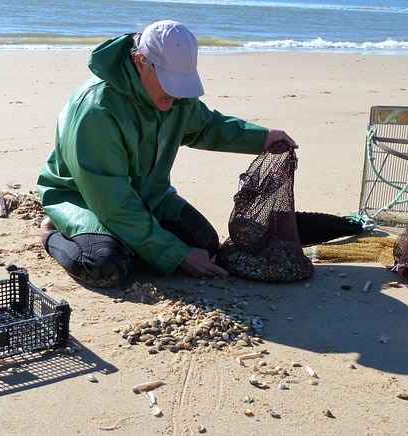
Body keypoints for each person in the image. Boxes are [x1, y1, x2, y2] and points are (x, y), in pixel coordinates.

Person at [37, 20, 298, 288]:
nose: (175, 94)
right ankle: (53, 234)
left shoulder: (176, 97)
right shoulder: (96, 111)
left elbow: (206, 126)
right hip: (84, 199)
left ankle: (134, 242)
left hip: (149, 194)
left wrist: (260, 137)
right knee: (105, 265)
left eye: (181, 84)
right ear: (140, 61)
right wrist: (178, 255)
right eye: (169, 83)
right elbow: (114, 204)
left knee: (205, 244)